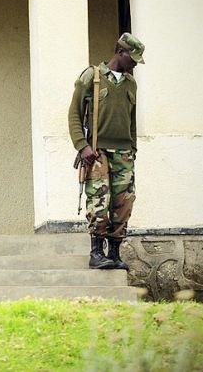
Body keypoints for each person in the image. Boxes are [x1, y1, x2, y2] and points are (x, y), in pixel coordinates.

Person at [68, 33, 145, 270]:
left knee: (123, 204)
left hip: (124, 154)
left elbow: (131, 120)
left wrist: (132, 148)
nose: (134, 63)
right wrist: (83, 146)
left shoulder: (131, 83)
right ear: (120, 52)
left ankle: (114, 254)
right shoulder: (92, 77)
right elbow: (74, 115)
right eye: (132, 58)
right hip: (97, 152)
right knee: (99, 202)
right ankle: (96, 254)